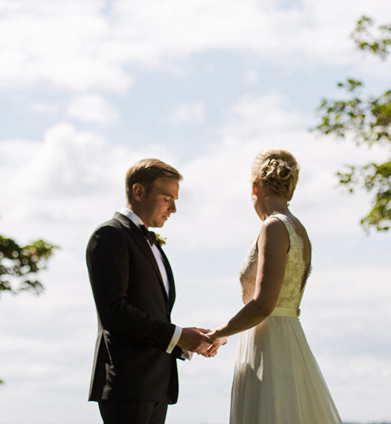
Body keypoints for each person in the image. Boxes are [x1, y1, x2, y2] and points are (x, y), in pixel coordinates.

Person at [206, 149, 343, 424]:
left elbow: (263, 305)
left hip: (269, 343)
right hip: (289, 336)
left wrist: (218, 333)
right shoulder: (299, 229)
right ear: (289, 191)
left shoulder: (273, 227)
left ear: (255, 187)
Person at [86, 158, 214, 424]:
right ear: (138, 192)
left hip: (156, 386)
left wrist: (189, 341)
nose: (174, 208)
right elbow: (114, 312)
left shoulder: (152, 244)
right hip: (127, 385)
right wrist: (178, 336)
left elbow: (153, 313)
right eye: (168, 198)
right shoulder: (110, 235)